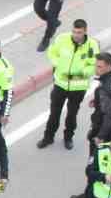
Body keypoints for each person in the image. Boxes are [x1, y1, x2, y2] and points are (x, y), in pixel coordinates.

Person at [70, 54, 111, 198]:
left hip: (105, 130)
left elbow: (108, 116)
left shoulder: (105, 90)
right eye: (96, 65)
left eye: (100, 66)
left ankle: (90, 197)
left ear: (108, 66)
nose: (96, 69)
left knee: (93, 166)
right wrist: (98, 101)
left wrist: (100, 136)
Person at [39, 18, 97, 149]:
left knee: (72, 114)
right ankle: (48, 137)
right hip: (60, 84)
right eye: (74, 32)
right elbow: (51, 52)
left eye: (79, 32)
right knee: (54, 113)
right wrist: (58, 64)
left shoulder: (92, 45)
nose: (76, 35)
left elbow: (93, 65)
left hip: (78, 87)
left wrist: (82, 73)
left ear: (85, 32)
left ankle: (68, 137)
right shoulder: (62, 39)